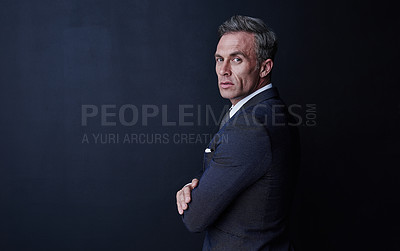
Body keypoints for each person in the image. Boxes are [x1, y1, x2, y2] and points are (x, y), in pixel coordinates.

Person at [176, 15, 300, 250]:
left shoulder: (250, 126)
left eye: (237, 59)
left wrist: (191, 196)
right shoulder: (268, 111)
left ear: (264, 67)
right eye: (219, 59)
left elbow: (195, 218)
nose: (223, 70)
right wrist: (197, 187)